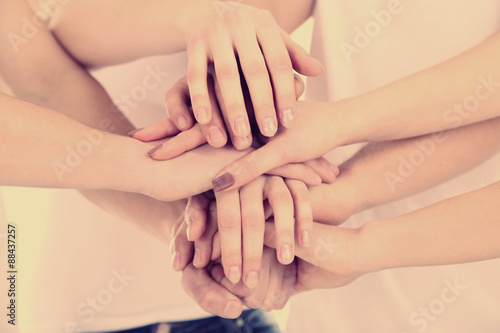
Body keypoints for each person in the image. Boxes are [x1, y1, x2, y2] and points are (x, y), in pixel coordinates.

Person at [155, 0, 500, 331]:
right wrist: (237, 85)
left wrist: (339, 125)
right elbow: (269, 12)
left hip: (473, 289)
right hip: (328, 269)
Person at [0, 1, 332, 332]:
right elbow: (45, 61)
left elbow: (46, 78)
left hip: (218, 308)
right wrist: (154, 170)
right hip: (76, 307)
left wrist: (190, 228)